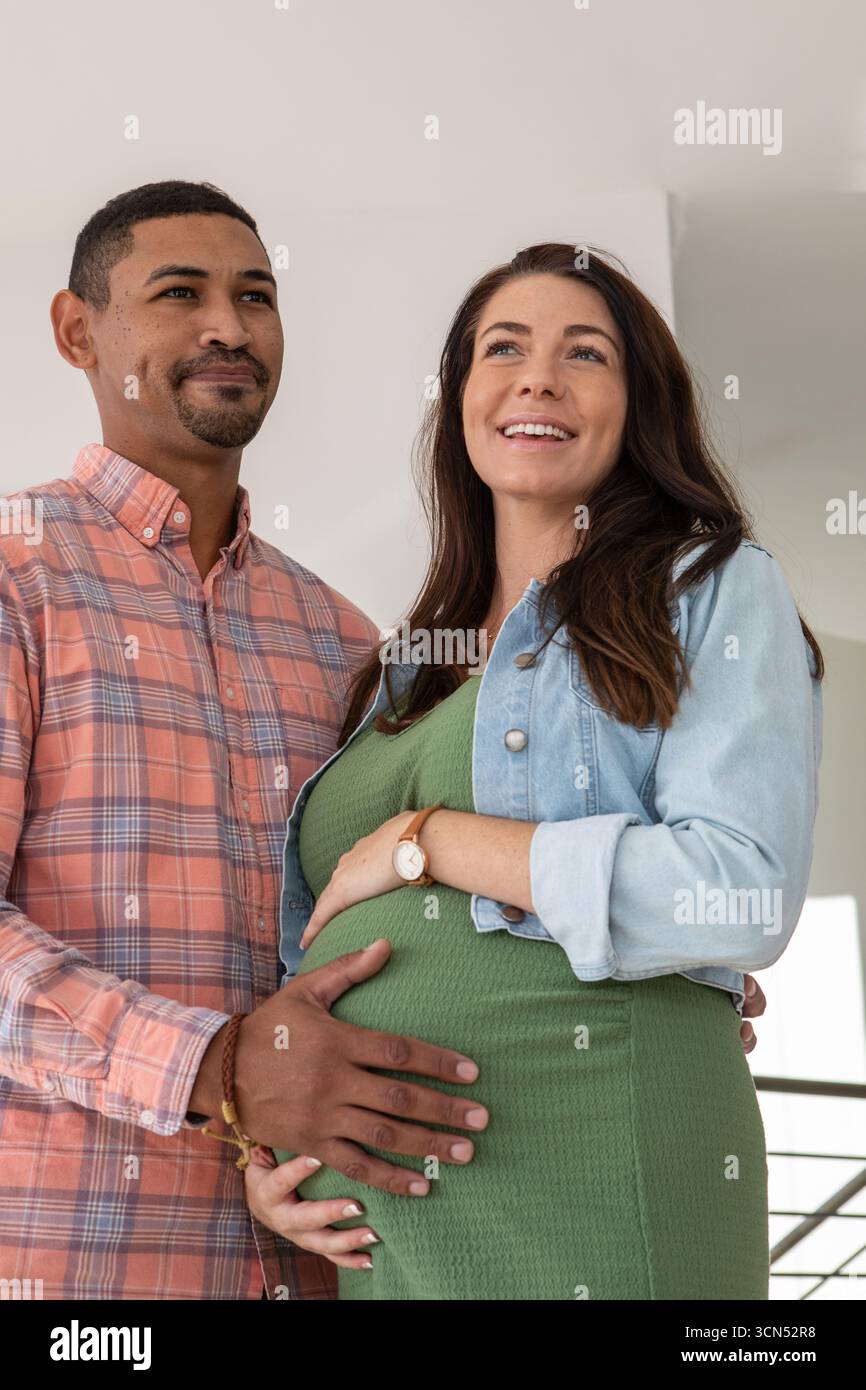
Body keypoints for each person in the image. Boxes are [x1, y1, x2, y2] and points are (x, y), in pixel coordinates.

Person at [256, 242, 823, 1300]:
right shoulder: (400, 667)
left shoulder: (709, 586)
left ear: (635, 402)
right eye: (502, 348)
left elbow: (736, 889)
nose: (536, 377)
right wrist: (271, 1142)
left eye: (584, 353)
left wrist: (427, 842)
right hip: (384, 1220)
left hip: (595, 1158)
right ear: (461, 396)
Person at [0, 180, 494, 1301]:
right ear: (78, 331)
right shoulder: (15, 577)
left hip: (320, 1265)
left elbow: (403, 903)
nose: (229, 326)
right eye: (180, 293)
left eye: (255, 297)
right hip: (67, 1268)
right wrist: (219, 1067)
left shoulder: (344, 639)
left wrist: (626, 972)